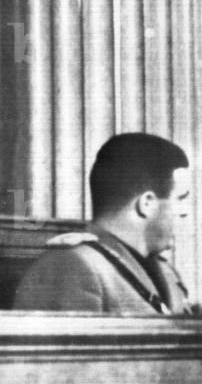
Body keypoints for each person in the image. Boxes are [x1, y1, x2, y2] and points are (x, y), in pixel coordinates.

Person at [14, 133, 192, 314]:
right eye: (180, 198)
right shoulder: (70, 267)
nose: (185, 211)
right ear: (147, 204)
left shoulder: (167, 272)